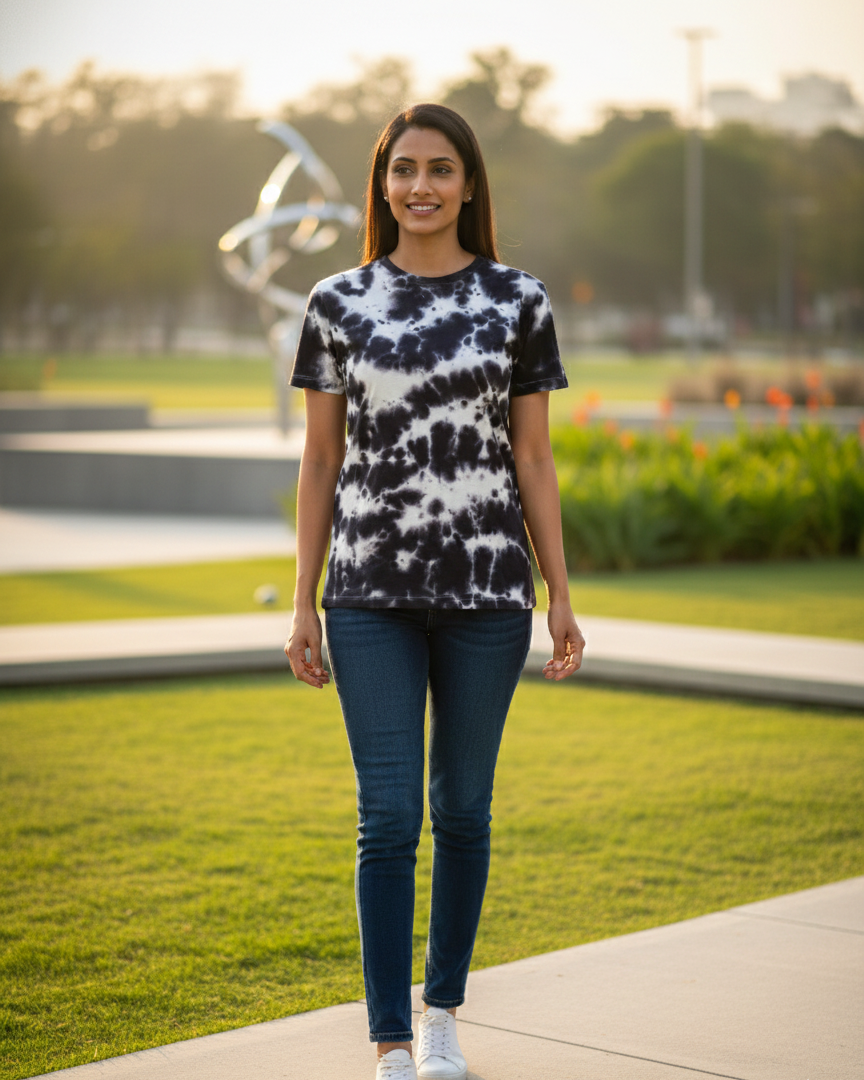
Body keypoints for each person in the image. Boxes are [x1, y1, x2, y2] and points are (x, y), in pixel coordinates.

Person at [285, 102, 585, 1080]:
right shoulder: (338, 301)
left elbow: (532, 458)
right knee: (387, 818)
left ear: (468, 184)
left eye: (440, 169)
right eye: (404, 168)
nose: (421, 186)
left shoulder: (517, 300)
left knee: (461, 812)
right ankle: (390, 1038)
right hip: (367, 594)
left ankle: (443, 1011)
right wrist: (302, 600)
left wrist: (560, 594)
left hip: (488, 595)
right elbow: (320, 460)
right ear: (382, 184)